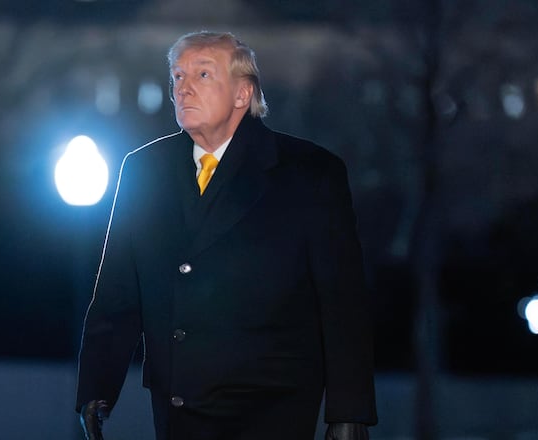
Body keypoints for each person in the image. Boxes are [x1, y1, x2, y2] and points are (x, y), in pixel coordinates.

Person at [76, 31, 377, 440]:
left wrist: (349, 412)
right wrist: (95, 391)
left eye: (202, 75)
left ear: (242, 94)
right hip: (181, 403)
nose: (183, 88)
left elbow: (342, 301)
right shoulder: (143, 169)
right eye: (177, 77)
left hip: (272, 408)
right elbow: (116, 295)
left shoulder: (309, 172)